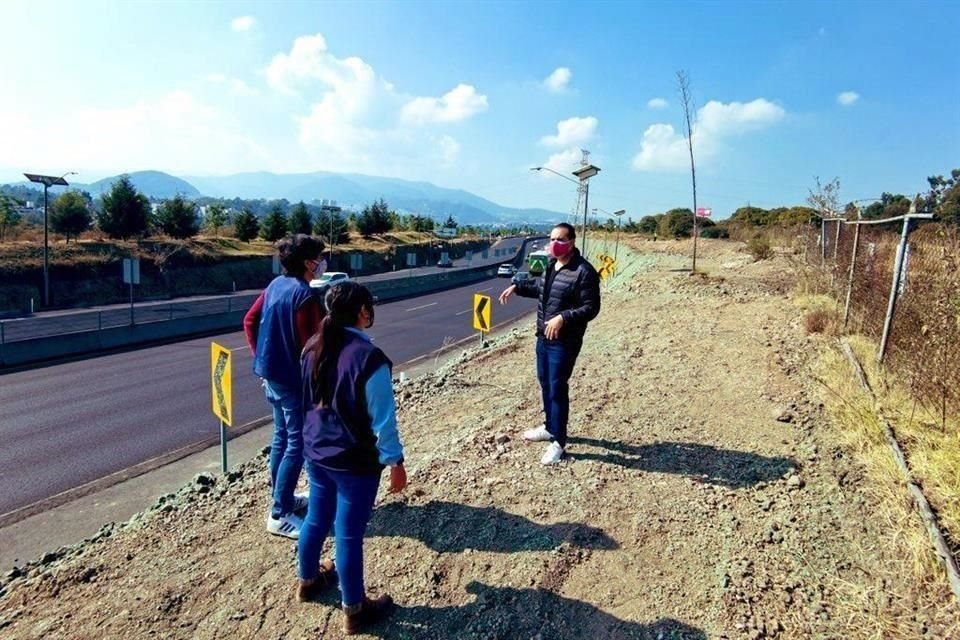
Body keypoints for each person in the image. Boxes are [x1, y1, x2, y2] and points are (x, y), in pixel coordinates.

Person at [297, 281, 407, 635]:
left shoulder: (313, 346)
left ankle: (309, 580)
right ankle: (355, 609)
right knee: (347, 535)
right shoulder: (369, 359)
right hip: (354, 462)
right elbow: (383, 421)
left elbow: (306, 402)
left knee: (316, 517)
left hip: (317, 450)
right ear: (362, 312)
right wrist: (396, 463)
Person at [243, 234, 327, 539]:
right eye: (319, 257)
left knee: (281, 438)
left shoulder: (275, 286)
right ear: (308, 262)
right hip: (293, 382)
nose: (321, 262)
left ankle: (285, 498)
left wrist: (262, 359)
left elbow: (249, 321)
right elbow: (312, 348)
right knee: (297, 443)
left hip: (272, 377)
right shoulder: (305, 296)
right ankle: (280, 513)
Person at [498, 223, 601, 464]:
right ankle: (548, 426)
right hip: (544, 337)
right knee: (545, 382)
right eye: (552, 238)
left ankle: (559, 442)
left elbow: (591, 308)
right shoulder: (551, 265)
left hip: (564, 341)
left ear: (572, 242)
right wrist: (517, 286)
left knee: (557, 387)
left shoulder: (584, 271)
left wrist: (563, 317)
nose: (555, 243)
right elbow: (543, 290)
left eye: (560, 239)